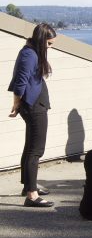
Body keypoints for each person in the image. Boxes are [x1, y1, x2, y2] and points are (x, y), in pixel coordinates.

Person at [8, 23, 56, 207]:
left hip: (36, 104)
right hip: (33, 106)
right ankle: (32, 195)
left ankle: (29, 185)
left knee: (30, 147)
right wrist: (16, 103)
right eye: (49, 43)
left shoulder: (32, 51)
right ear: (42, 40)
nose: (50, 47)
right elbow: (21, 81)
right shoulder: (29, 54)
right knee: (36, 150)